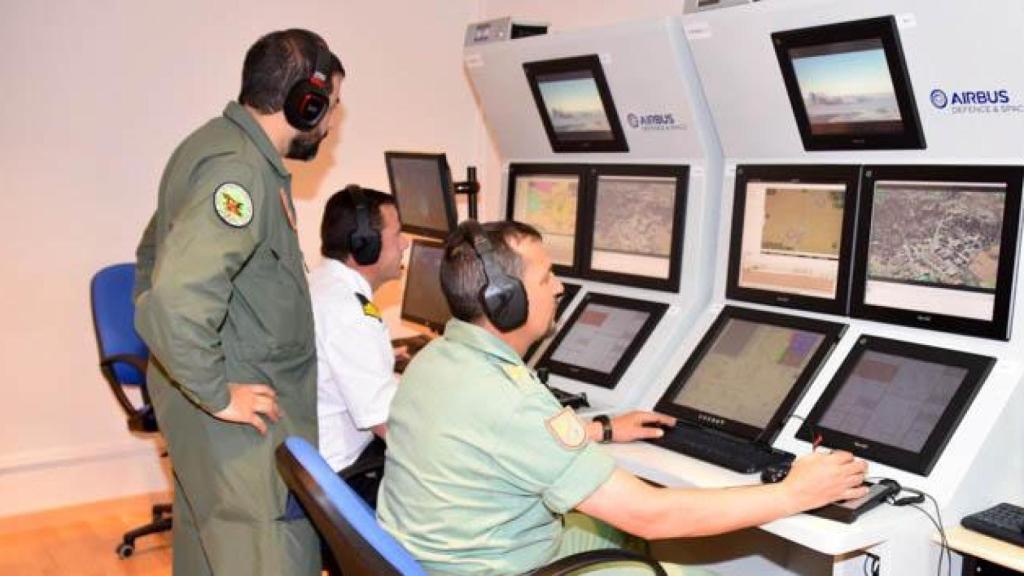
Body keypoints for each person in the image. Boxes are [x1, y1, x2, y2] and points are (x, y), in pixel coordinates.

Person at [377, 220, 869, 575]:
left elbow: (498, 442)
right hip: (498, 569)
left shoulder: (435, 359)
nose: (560, 287)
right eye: (547, 278)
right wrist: (793, 493)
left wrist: (604, 430)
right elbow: (651, 517)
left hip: (430, 561)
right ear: (506, 301)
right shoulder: (512, 401)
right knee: (643, 539)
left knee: (610, 529)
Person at [133, 29, 344, 576]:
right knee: (267, 556)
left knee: (211, 555)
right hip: (244, 428)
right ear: (306, 102)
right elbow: (176, 299)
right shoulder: (240, 172)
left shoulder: (212, 146)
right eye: (330, 107)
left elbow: (152, 256)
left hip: (209, 414)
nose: (329, 124)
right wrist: (214, 393)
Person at [310, 185, 409, 506]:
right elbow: (390, 427)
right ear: (365, 246)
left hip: (317, 460)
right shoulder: (350, 312)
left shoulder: (322, 283)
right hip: (345, 477)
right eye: (398, 235)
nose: (405, 244)